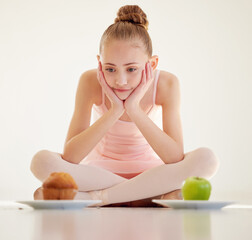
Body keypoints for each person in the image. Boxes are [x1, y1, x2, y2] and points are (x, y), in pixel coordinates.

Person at [30, 5, 219, 207]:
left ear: (152, 65)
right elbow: (71, 156)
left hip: (151, 172)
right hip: (99, 173)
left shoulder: (167, 84)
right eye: (110, 68)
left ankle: (99, 198)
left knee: (207, 159)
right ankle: (148, 196)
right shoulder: (89, 81)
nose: (120, 81)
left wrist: (134, 109)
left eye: (131, 69)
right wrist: (115, 110)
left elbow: (174, 157)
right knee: (41, 161)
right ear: (99, 63)